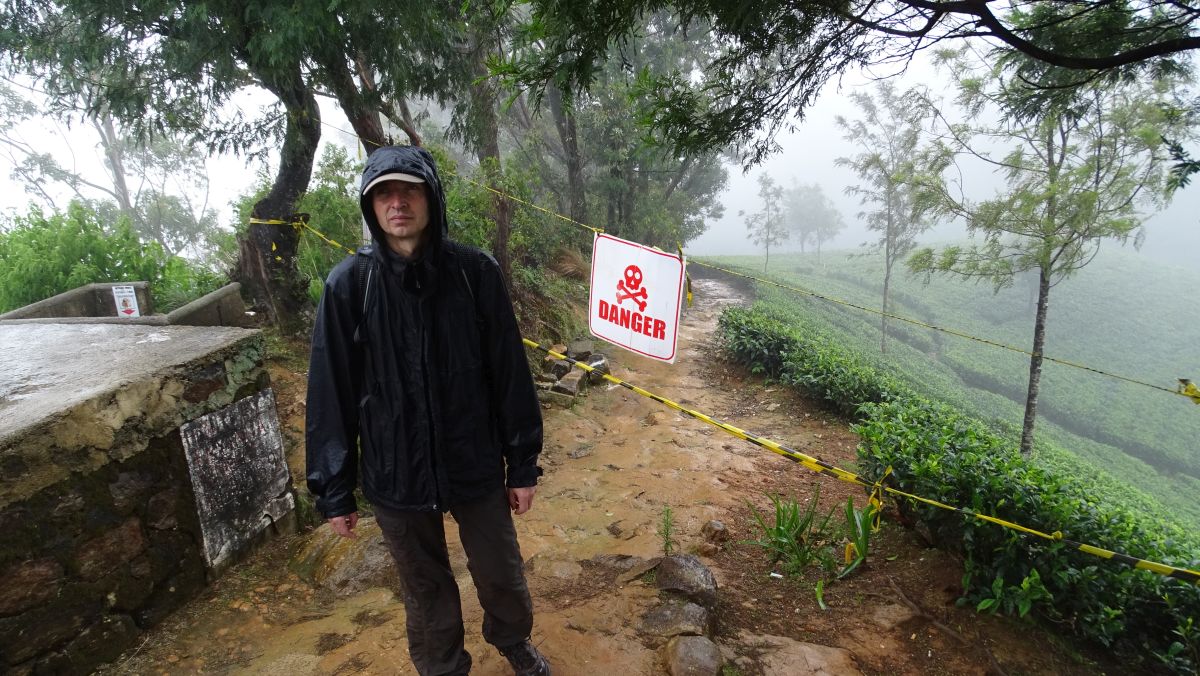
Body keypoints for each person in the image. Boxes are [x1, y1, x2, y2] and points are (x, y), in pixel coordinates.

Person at [306, 144, 550, 676]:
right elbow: (332, 393)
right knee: (424, 585)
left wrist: (523, 463)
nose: (397, 203)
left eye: (409, 190)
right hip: (396, 469)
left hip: (474, 459)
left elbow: (508, 373)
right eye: (383, 193)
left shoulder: (473, 274)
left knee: (500, 571)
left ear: (431, 198)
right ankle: (443, 668)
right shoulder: (350, 284)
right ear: (370, 207)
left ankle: (512, 641)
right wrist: (334, 488)